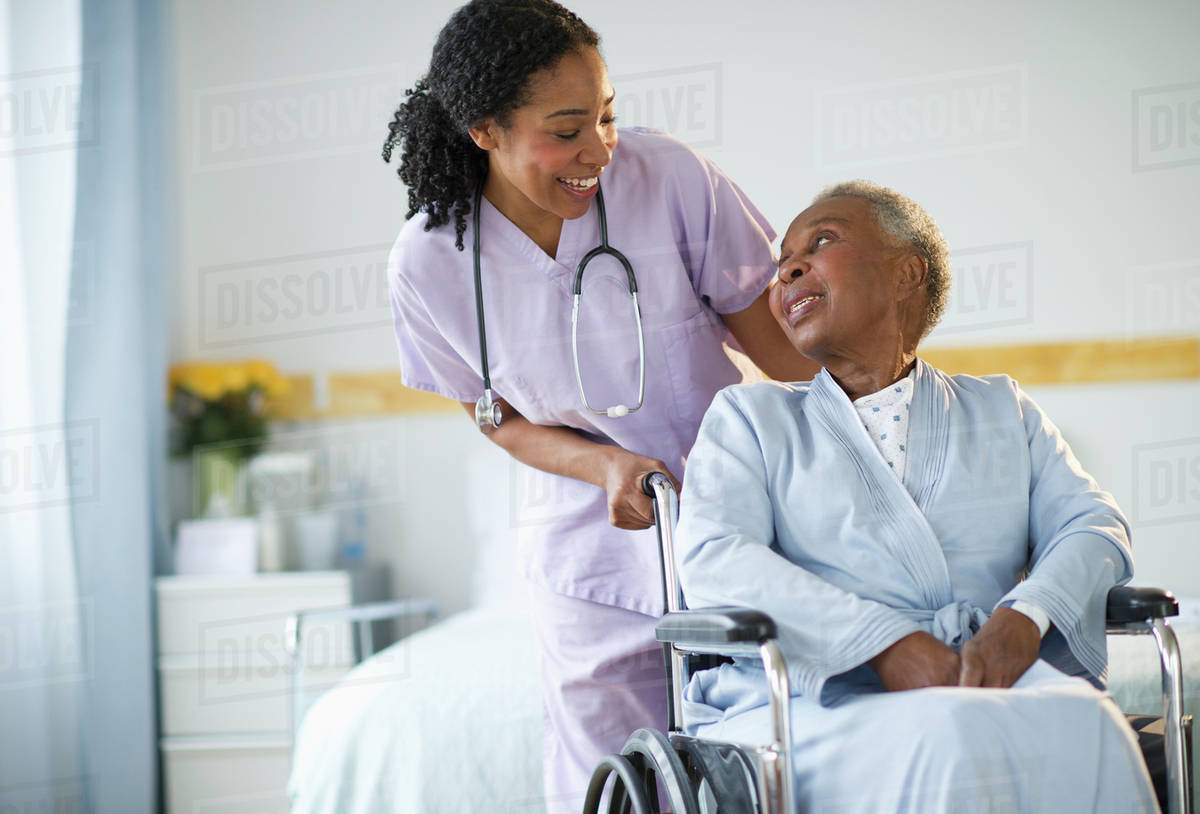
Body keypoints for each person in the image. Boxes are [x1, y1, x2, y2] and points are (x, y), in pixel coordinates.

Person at [381, 1, 815, 807]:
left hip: (736, 526)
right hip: (586, 562)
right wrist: (602, 464)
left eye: (608, 117)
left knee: (762, 770)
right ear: (485, 129)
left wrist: (889, 380)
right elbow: (493, 416)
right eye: (568, 129)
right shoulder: (430, 262)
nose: (599, 151)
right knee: (613, 786)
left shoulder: (671, 180)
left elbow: (781, 352)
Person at [675, 181, 1159, 812]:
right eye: (780, 263)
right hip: (806, 699)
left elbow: (1093, 525)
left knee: (1090, 723)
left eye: (820, 241)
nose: (788, 269)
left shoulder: (1001, 409)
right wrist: (885, 645)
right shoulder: (749, 417)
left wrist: (1027, 615)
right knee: (950, 734)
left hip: (981, 678)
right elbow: (715, 557)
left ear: (906, 273)